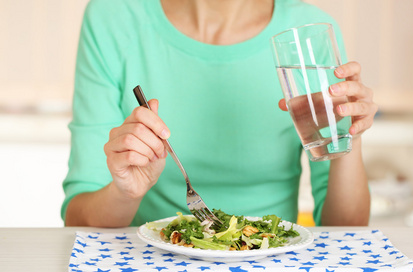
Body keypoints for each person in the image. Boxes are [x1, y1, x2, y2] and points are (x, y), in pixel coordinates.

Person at [62, 0, 377, 228]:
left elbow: (345, 227)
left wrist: (350, 134)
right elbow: (78, 218)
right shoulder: (112, 18)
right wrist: (124, 193)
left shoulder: (308, 32)